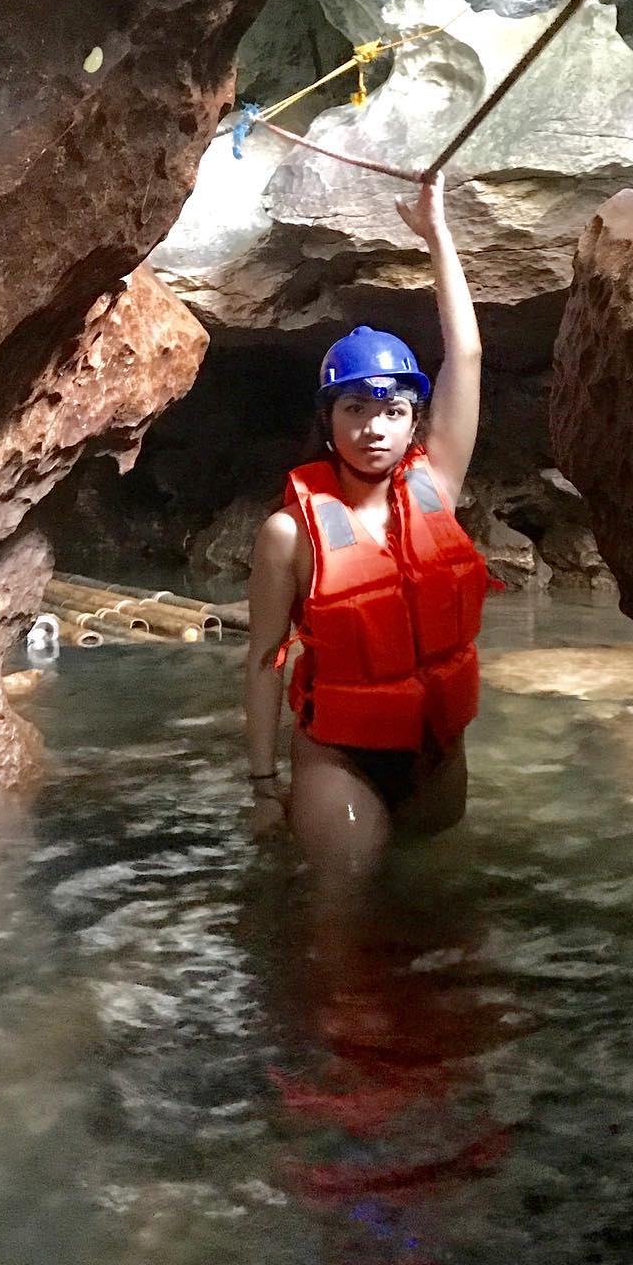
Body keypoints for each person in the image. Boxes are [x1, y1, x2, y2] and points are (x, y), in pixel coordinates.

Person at [244, 175, 487, 886]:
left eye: (391, 411)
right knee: (342, 921)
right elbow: (264, 660)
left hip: (436, 750)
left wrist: (437, 235)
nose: (373, 428)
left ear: (414, 422)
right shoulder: (288, 534)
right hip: (339, 756)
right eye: (355, 409)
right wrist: (263, 787)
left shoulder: (438, 483)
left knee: (439, 905)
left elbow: (466, 356)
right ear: (329, 422)